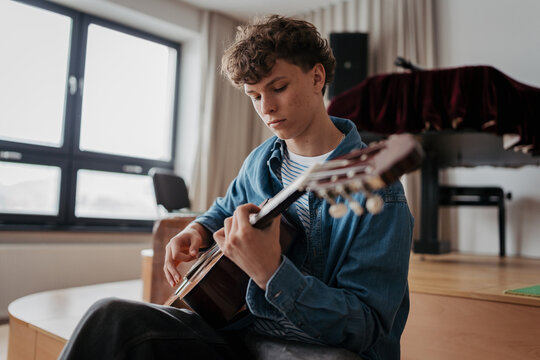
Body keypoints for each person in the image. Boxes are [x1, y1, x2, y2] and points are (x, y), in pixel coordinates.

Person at [59, 15, 413, 360]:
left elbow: (366, 327)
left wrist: (271, 271)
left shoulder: (380, 192)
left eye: (278, 88)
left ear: (317, 77)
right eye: (254, 96)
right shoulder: (261, 160)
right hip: (242, 331)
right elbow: (225, 207)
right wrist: (198, 229)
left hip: (318, 350)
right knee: (109, 318)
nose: (267, 108)